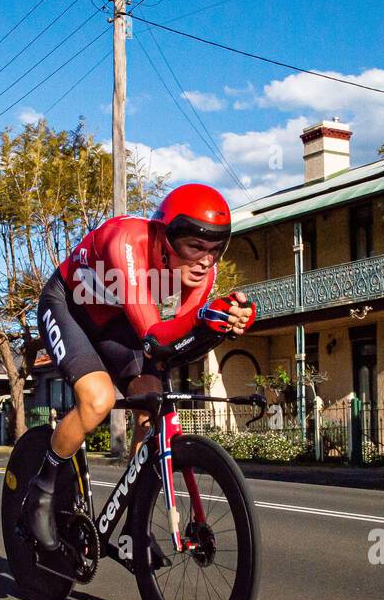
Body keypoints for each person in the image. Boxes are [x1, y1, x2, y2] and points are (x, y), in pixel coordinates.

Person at [24, 183, 256, 551]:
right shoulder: (126, 244)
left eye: (214, 250)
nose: (204, 261)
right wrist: (206, 317)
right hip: (69, 306)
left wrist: (220, 326)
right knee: (97, 401)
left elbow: (174, 349)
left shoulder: (202, 273)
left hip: (116, 319)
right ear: (164, 237)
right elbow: (155, 335)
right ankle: (42, 489)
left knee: (152, 406)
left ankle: (134, 520)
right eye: (194, 247)